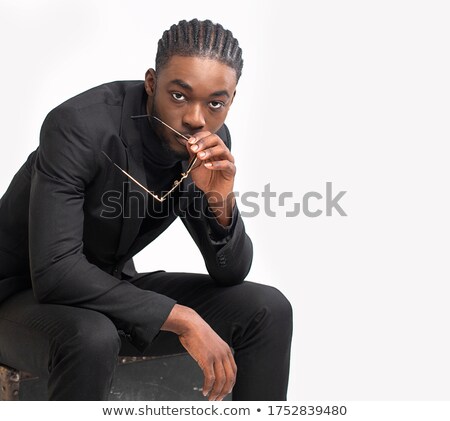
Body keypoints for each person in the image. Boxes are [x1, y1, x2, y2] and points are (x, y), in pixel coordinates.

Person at [0, 19, 292, 401]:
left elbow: (230, 271)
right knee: (92, 336)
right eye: (179, 96)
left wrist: (220, 199)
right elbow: (56, 274)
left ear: (232, 99)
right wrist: (183, 319)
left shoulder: (208, 143)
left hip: (108, 288)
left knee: (267, 309)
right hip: (18, 296)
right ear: (152, 83)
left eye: (215, 103)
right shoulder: (78, 126)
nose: (196, 118)